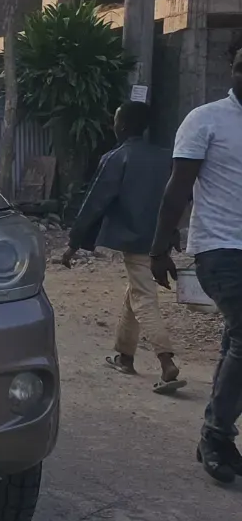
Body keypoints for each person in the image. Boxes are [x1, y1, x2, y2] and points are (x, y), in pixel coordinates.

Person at [152, 40, 242, 484]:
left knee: (234, 342)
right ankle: (217, 435)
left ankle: (215, 430)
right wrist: (158, 247)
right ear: (231, 65)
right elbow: (177, 189)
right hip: (219, 249)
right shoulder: (205, 120)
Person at [60, 100, 185, 394]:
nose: (113, 125)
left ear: (124, 125)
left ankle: (166, 361)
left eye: (116, 120)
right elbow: (176, 198)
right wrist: (173, 233)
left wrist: (73, 244)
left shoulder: (117, 158)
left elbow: (94, 204)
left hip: (137, 239)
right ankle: (124, 356)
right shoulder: (165, 157)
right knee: (135, 292)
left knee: (143, 297)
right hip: (160, 237)